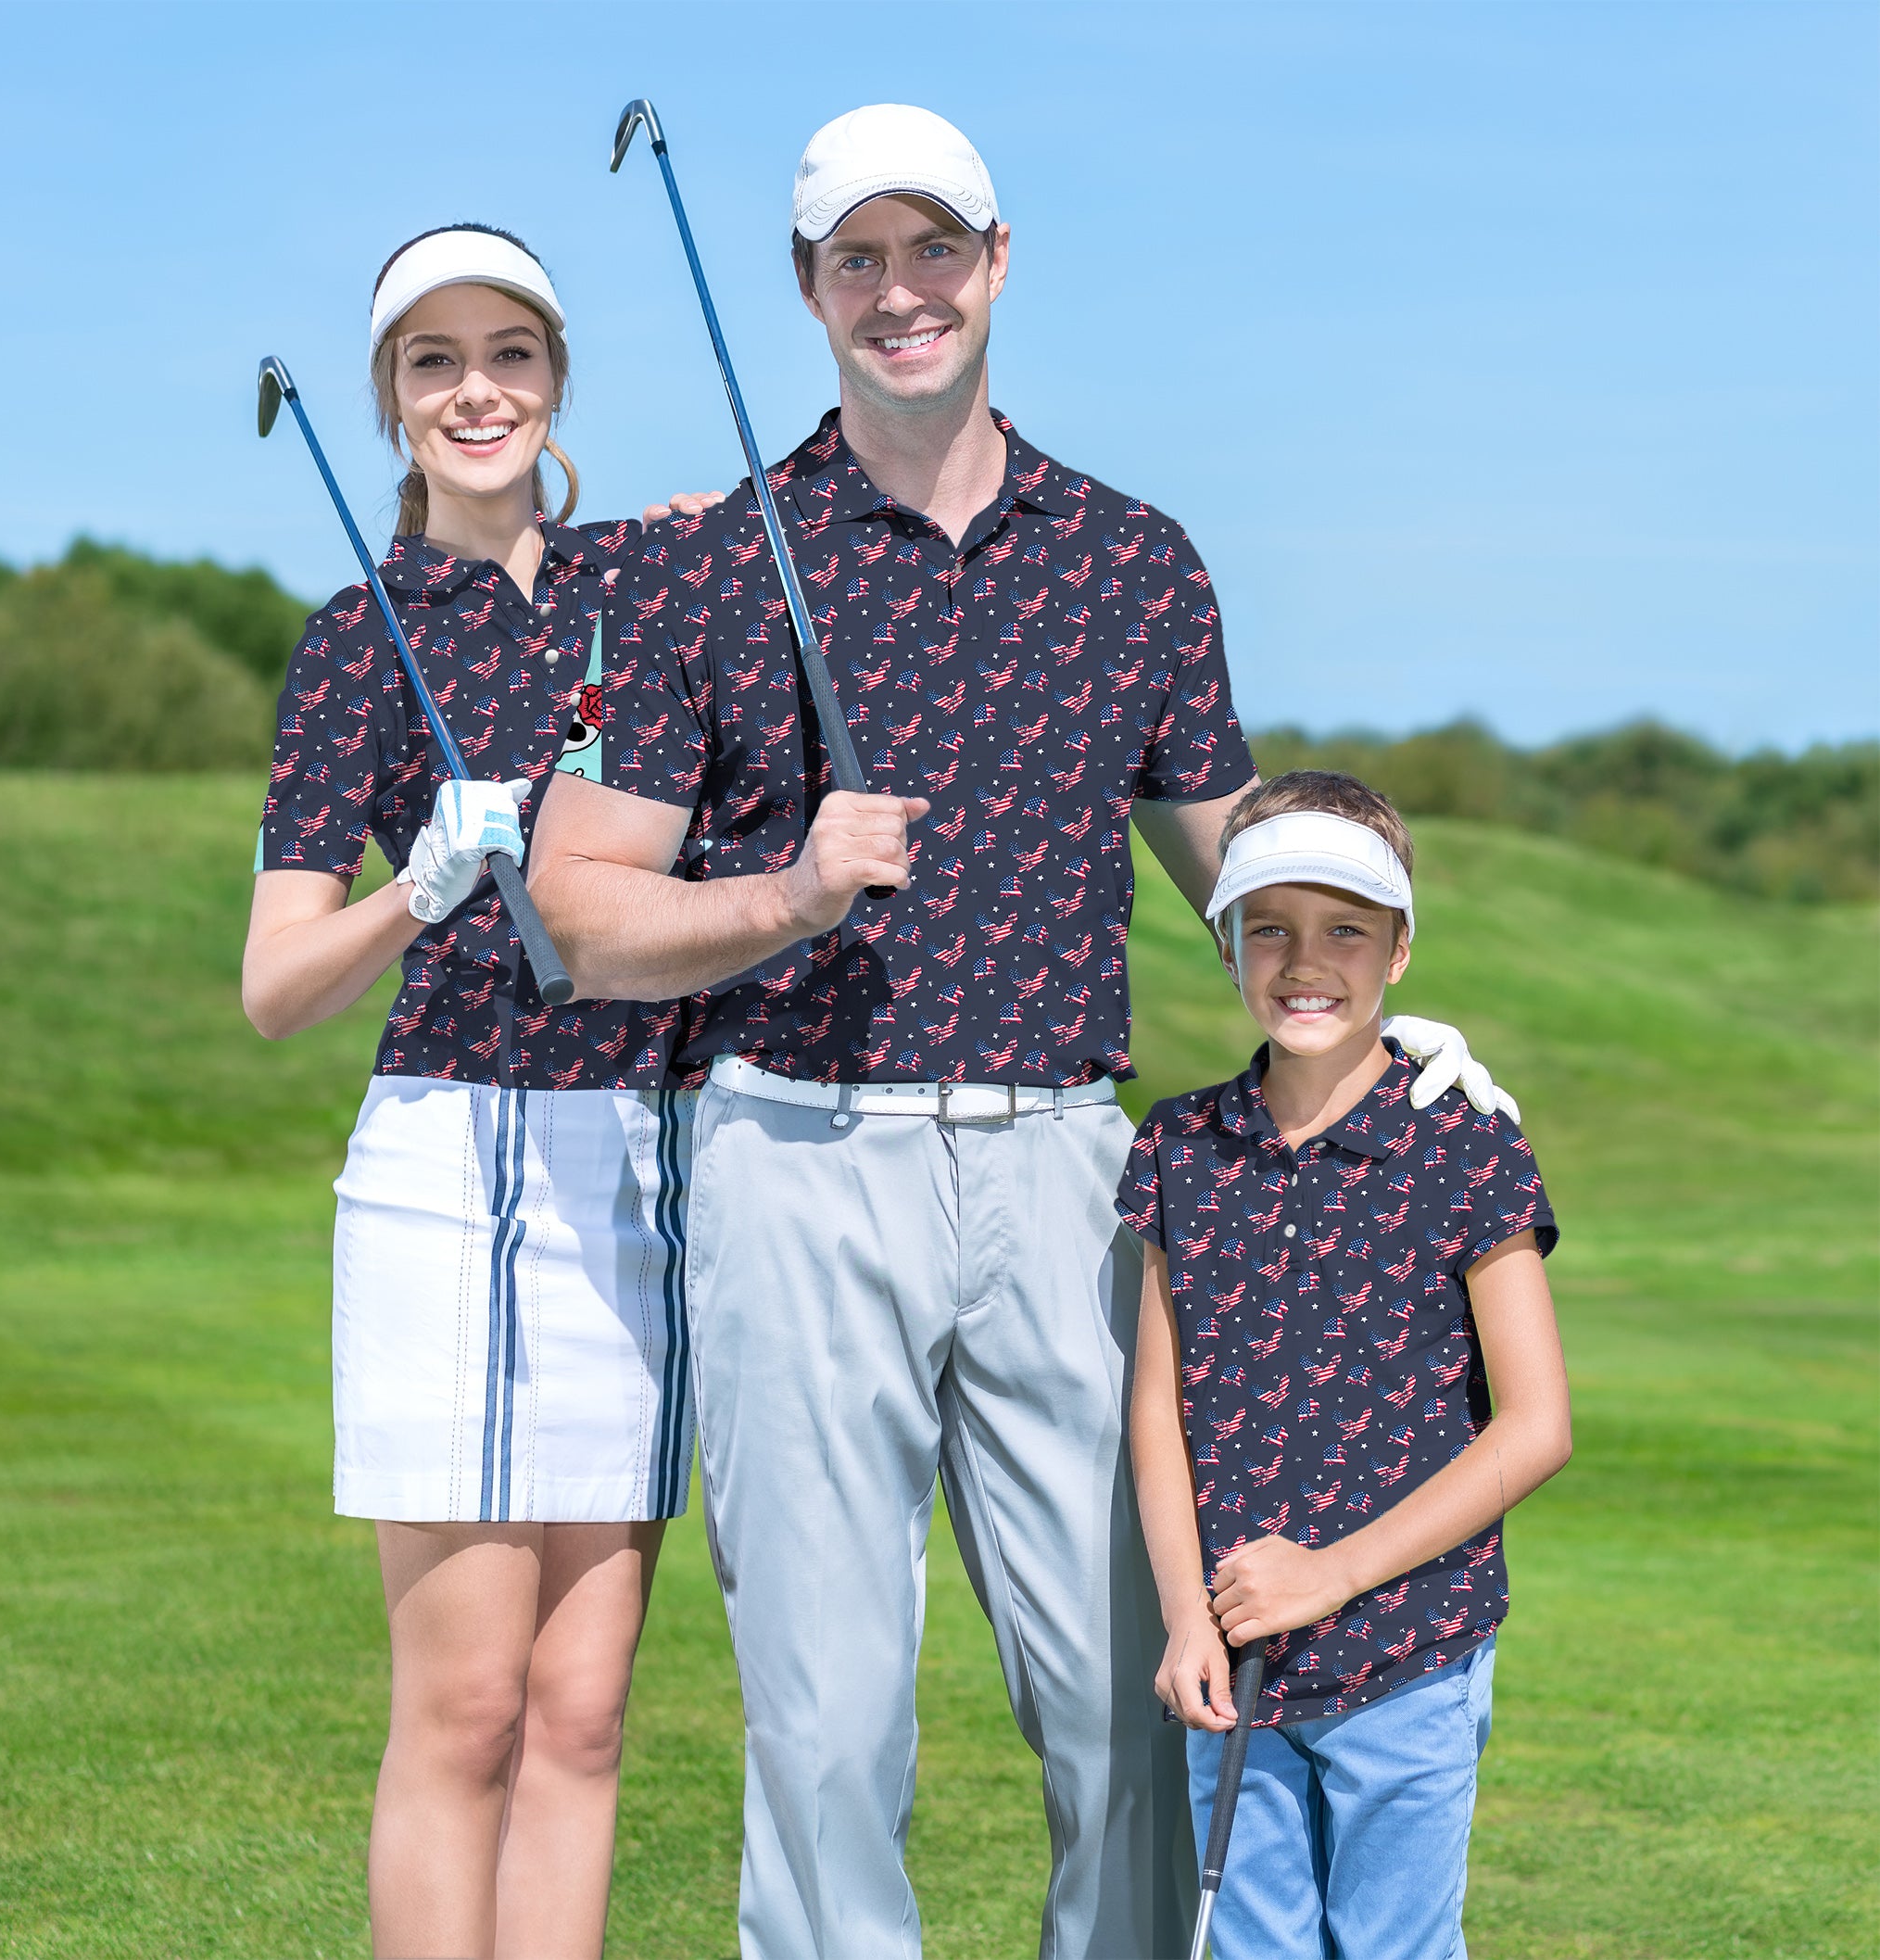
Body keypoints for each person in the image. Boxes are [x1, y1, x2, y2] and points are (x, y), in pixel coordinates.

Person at [527, 107, 1508, 1958]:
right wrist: (777, 898)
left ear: (996, 261)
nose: (901, 293)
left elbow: (1240, 870)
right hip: (795, 1157)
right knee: (826, 1725)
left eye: (934, 250)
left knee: (1136, 1692)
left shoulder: (1136, 562)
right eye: (857, 259)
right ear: (808, 289)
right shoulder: (698, 566)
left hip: (1071, 1173)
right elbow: (575, 910)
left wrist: (1387, 995)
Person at [242, 223, 711, 1960]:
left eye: (508, 353)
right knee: (466, 1711)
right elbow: (277, 986)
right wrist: (416, 887)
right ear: (389, 399)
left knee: (583, 1712)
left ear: (555, 377)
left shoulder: (645, 603)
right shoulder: (351, 641)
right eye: (433, 361)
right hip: (446, 1164)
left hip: (628, 1174)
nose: (476, 390)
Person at [1120, 770, 1572, 1959]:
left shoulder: (1468, 1144)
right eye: (1267, 926)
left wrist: (1332, 1576)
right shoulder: (1180, 1145)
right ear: (1225, 943)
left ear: (1399, 952)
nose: (1303, 960)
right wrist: (1183, 1617)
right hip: (1234, 1655)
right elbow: (1156, 1411)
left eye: (1345, 931)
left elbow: (1535, 1426)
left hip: (1411, 1647)